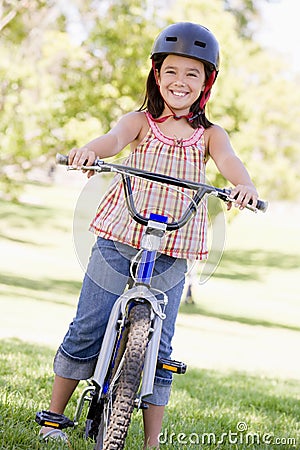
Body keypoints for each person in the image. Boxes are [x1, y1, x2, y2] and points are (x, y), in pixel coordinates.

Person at [39, 22, 258, 448]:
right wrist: (89, 151)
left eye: (193, 74)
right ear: (157, 75)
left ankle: (150, 440)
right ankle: (54, 414)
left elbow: (231, 163)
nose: (181, 81)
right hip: (120, 236)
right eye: (172, 71)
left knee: (161, 343)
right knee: (88, 325)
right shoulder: (139, 121)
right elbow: (112, 139)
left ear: (206, 83)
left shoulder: (211, 135)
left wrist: (244, 186)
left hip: (173, 250)